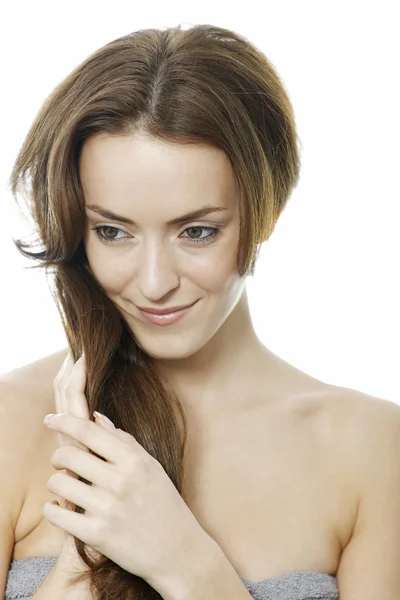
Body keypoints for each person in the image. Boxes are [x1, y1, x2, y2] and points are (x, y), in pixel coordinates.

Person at [1, 23, 400, 600]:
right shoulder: (15, 421)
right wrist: (81, 561)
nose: (155, 282)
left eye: (196, 231)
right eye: (113, 231)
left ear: (269, 211)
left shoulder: (371, 449)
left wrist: (188, 566)